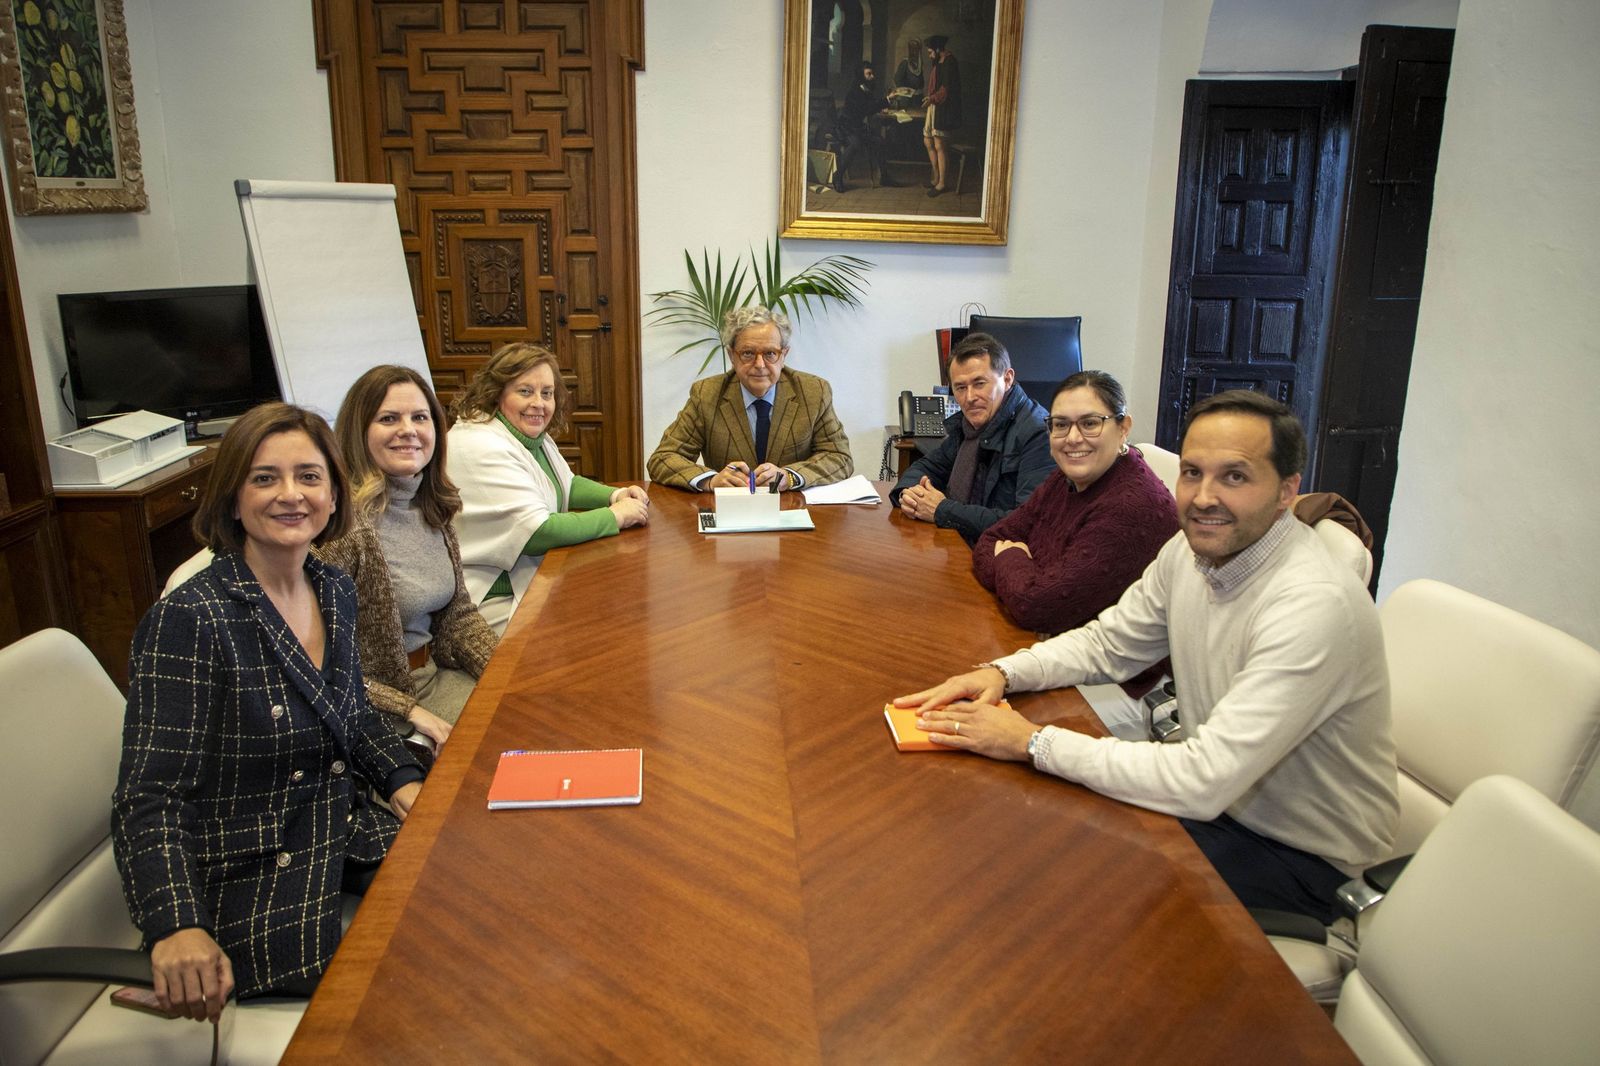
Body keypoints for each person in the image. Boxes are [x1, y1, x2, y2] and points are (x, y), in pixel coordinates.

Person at [896, 390, 1398, 922]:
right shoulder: (1190, 550)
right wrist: (1001, 672)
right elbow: (1107, 643)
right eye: (1193, 472)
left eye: (1235, 477)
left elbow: (1203, 779)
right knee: (1026, 837)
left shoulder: (1312, 605)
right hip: (1220, 807)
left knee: (1064, 891)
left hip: (1302, 857)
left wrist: (1032, 742)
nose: (1204, 497)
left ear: (1286, 490)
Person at [112, 403, 425, 1019]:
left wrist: (404, 778)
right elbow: (150, 797)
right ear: (233, 500)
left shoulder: (329, 585)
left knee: (480, 900)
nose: (291, 495)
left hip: (343, 829)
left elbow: (353, 712)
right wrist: (176, 926)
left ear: (334, 495)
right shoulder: (190, 619)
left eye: (310, 477)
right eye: (265, 478)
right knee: (406, 1000)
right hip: (256, 878)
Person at [317, 365, 498, 743]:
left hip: (434, 675)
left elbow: (458, 615)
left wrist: (503, 670)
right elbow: (319, 664)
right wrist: (408, 711)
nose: (408, 430)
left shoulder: (430, 506)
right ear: (358, 430)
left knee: (543, 711)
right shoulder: (343, 529)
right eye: (388, 419)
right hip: (382, 707)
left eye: (420, 417)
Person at [448, 342, 650, 635]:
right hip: (493, 598)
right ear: (497, 392)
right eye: (525, 391)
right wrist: (616, 516)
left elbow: (565, 484)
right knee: (597, 629)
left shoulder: (528, 435)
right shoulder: (478, 443)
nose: (538, 404)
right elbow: (538, 532)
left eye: (547, 393)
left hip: (534, 574)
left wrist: (614, 494)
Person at [971, 370, 1177, 633]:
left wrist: (1011, 556)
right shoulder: (1064, 478)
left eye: (1090, 423)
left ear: (1123, 428)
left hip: (1109, 668)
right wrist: (1026, 578)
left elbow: (1035, 608)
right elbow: (989, 541)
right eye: (1060, 424)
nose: (1072, 438)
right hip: (1052, 643)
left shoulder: (1131, 508)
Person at [648, 305, 854, 492]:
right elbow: (663, 458)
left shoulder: (813, 392)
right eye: (747, 353)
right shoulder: (707, 395)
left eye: (770, 354)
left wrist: (790, 477)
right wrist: (710, 480)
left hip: (794, 512)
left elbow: (840, 458)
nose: (760, 364)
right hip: (730, 515)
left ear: (784, 355)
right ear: (732, 356)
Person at [889, 332, 1052, 543]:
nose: (970, 398)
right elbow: (926, 467)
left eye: (979, 383)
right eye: (960, 387)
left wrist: (941, 510)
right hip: (960, 547)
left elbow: (1027, 524)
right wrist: (908, 495)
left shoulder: (1039, 433)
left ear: (1008, 378)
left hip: (1003, 558)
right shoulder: (967, 427)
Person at [921, 35, 962, 197]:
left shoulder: (950, 62)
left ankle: (942, 183)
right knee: (928, 140)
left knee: (940, 145)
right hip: (934, 106)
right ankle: (936, 177)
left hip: (945, 108)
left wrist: (931, 98)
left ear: (938, 50)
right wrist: (930, 99)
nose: (930, 55)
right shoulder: (939, 62)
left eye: (931, 52)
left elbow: (946, 90)